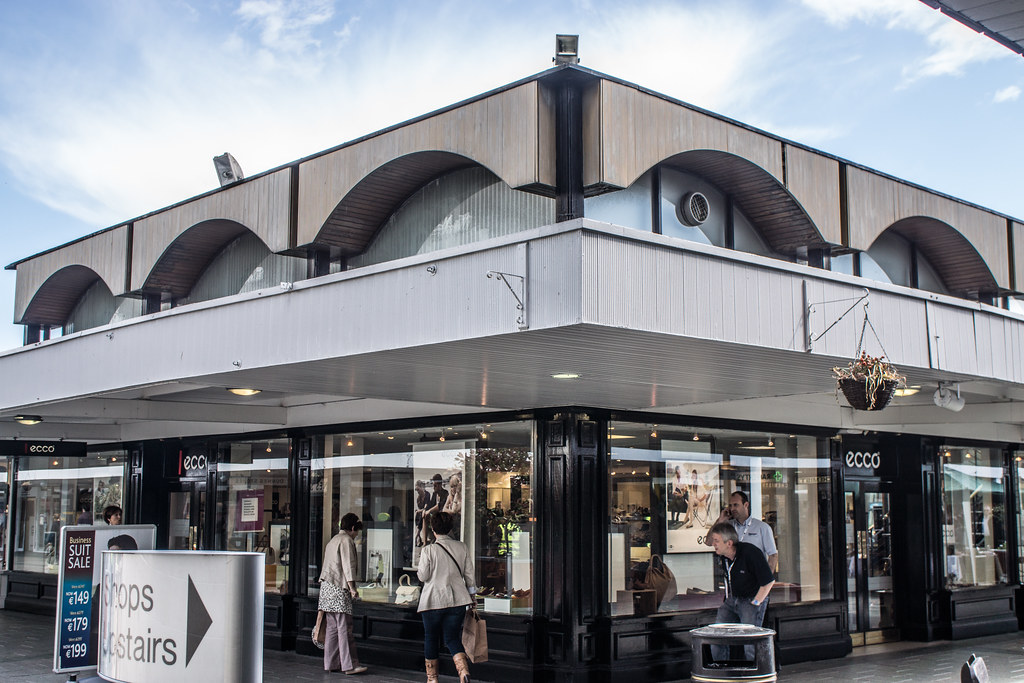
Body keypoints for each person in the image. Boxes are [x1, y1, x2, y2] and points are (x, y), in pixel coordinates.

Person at [417, 511, 474, 683]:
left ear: (433, 529)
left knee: (431, 638)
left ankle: (432, 679)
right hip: (457, 600)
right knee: (452, 638)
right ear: (450, 529)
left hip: (433, 600)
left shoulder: (429, 550)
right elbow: (469, 575)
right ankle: (463, 672)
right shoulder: (461, 547)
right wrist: (473, 596)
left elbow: (422, 576)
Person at [707, 522, 775, 661]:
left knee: (750, 641)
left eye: (717, 541)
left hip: (752, 598)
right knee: (718, 633)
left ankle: (755, 674)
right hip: (734, 598)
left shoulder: (750, 553)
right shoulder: (724, 557)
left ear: (729, 543)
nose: (714, 544)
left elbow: (768, 581)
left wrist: (756, 603)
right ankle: (721, 669)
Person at [318, 513, 368, 675]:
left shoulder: (333, 540)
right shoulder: (346, 541)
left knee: (332, 628)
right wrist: (353, 588)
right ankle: (350, 665)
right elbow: (348, 566)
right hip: (339, 589)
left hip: (326, 589)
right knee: (345, 628)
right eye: (356, 532)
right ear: (352, 528)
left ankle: (331, 663)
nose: (356, 535)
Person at [705, 490, 778, 573]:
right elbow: (708, 542)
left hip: (754, 578)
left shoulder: (762, 527)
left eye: (736, 505)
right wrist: (720, 520)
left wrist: (766, 579)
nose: (732, 509)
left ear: (746, 505)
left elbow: (773, 555)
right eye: (730, 506)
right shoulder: (727, 526)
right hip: (733, 576)